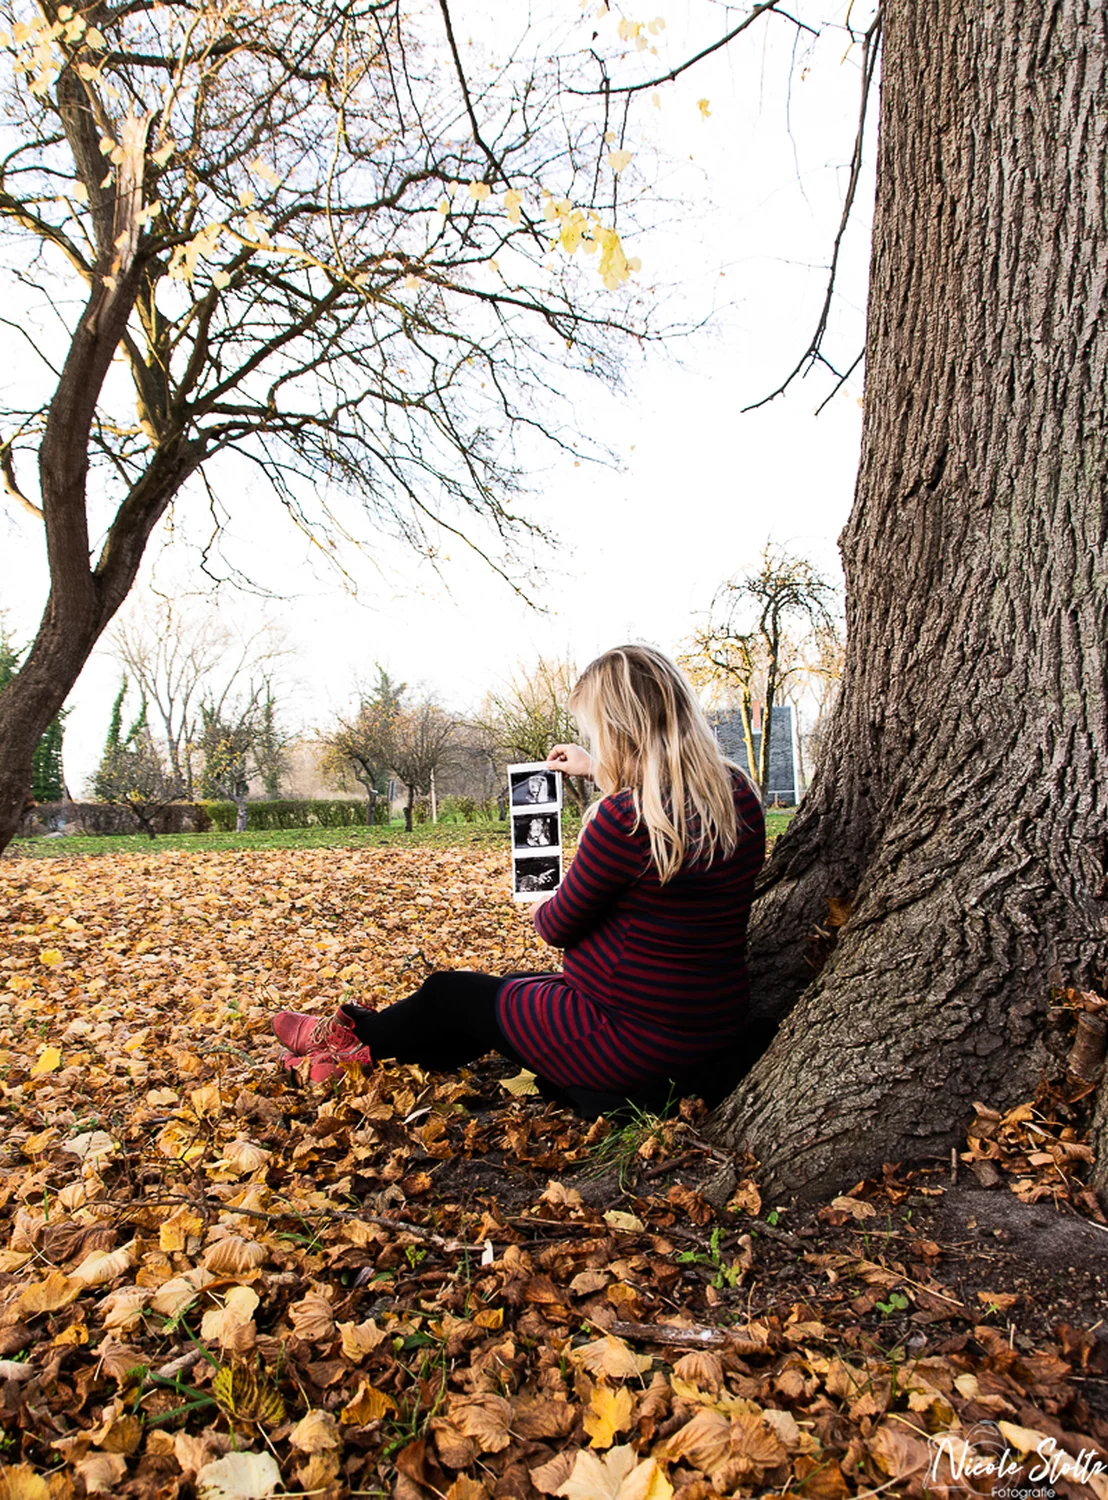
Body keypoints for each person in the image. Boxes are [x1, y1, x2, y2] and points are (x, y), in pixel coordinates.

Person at [272, 645, 765, 1114]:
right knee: (501, 993)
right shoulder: (736, 795)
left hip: (627, 1041)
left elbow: (556, 927)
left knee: (451, 993)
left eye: (596, 735)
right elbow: (661, 788)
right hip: (705, 1027)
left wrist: (540, 899)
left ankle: (347, 1041)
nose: (595, 743)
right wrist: (594, 768)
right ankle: (359, 1048)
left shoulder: (624, 820)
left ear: (621, 731)